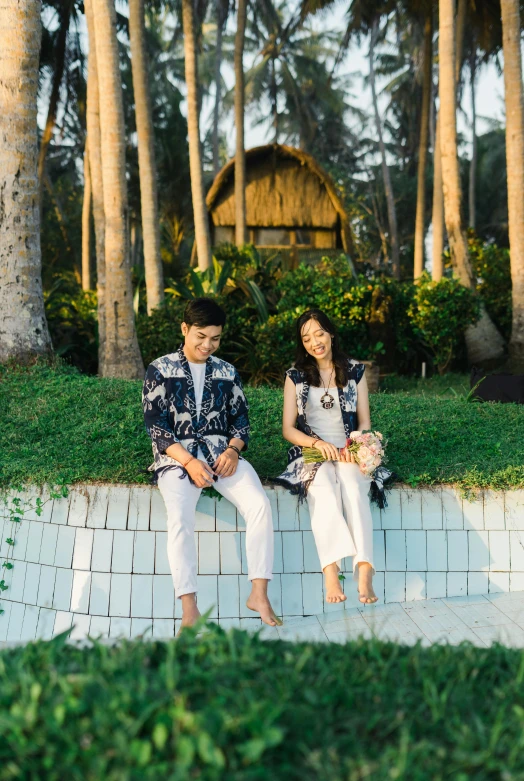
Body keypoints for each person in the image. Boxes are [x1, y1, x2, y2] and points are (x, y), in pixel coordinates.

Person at [142, 297, 280, 628]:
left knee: (259, 505)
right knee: (179, 517)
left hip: (222, 456)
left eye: (215, 339)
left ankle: (258, 593)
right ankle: (189, 609)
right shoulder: (159, 369)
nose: (208, 345)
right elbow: (156, 427)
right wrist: (189, 462)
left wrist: (233, 451)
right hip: (177, 459)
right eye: (201, 336)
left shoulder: (227, 372)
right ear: (185, 329)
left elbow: (242, 422)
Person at [278, 309, 391, 605]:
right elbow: (288, 429)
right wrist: (315, 442)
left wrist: (357, 445)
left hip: (349, 450)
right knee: (324, 491)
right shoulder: (295, 376)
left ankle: (364, 569)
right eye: (306, 338)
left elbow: (364, 421)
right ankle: (330, 570)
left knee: (353, 489)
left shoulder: (354, 371)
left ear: (331, 333)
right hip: (312, 453)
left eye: (319, 334)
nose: (315, 342)